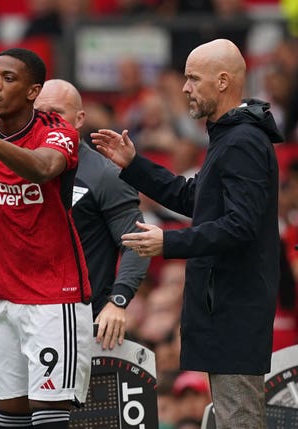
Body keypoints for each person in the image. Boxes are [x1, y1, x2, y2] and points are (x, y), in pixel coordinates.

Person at [92, 38, 283, 429]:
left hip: (235, 309)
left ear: (223, 82)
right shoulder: (230, 135)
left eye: (193, 79)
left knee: (239, 420)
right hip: (228, 307)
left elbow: (240, 226)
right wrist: (134, 165)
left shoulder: (243, 140)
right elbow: (196, 198)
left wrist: (169, 243)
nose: (184, 88)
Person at [0, 48, 93, 429]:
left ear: (33, 91)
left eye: (8, 78)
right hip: (2, 297)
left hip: (52, 298)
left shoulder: (58, 133)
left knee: (47, 416)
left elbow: (44, 168)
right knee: (9, 415)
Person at [0, 79, 150, 351]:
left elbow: (137, 242)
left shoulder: (105, 175)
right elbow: (3, 222)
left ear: (79, 118)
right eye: (40, 113)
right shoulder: (16, 164)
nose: (48, 121)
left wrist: (118, 301)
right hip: (19, 313)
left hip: (79, 317)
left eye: (57, 113)